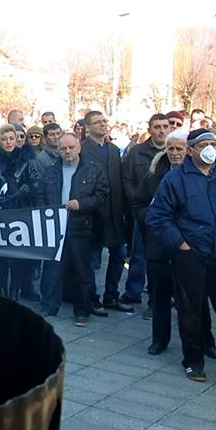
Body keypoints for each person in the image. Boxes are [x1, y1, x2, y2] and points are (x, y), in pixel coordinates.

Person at [147, 128, 216, 382]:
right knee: (190, 311)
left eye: (213, 143)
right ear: (191, 149)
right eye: (203, 144)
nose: (209, 148)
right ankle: (193, 361)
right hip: (191, 256)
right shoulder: (176, 179)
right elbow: (157, 216)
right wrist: (180, 243)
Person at [132, 130, 216, 356]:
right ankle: (159, 340)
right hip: (160, 246)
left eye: (179, 148)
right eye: (170, 148)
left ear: (188, 150)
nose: (174, 153)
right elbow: (138, 205)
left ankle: (205, 341)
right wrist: (151, 220)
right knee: (159, 295)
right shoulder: (153, 176)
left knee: (196, 299)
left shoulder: (201, 174)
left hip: (191, 247)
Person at [38, 133, 108, 323]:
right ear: (58, 150)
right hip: (55, 226)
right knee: (52, 268)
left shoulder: (93, 170)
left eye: (71, 147)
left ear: (79, 147)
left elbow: (102, 195)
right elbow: (41, 194)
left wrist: (82, 204)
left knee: (82, 270)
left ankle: (82, 310)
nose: (67, 151)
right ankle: (49, 306)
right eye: (63, 148)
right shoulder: (51, 171)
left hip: (80, 226)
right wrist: (47, 211)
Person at [0, 124, 41, 295]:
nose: (9, 142)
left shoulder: (27, 159)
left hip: (21, 212)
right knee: (0, 257)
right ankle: (1, 293)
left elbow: (36, 181)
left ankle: (16, 293)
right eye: (4, 139)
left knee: (19, 257)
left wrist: (28, 188)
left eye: (12, 138)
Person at [80, 111, 132, 315]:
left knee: (119, 255)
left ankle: (112, 295)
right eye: (97, 122)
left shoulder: (113, 150)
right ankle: (92, 299)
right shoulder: (82, 150)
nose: (103, 125)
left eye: (104, 121)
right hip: (93, 214)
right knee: (92, 260)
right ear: (87, 127)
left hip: (115, 212)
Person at [120, 114, 170, 308]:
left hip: (166, 214)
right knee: (139, 253)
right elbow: (127, 179)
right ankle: (133, 290)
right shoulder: (137, 152)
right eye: (157, 127)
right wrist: (137, 201)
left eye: (165, 126)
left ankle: (158, 296)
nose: (161, 130)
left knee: (161, 257)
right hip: (143, 211)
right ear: (149, 130)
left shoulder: (173, 151)